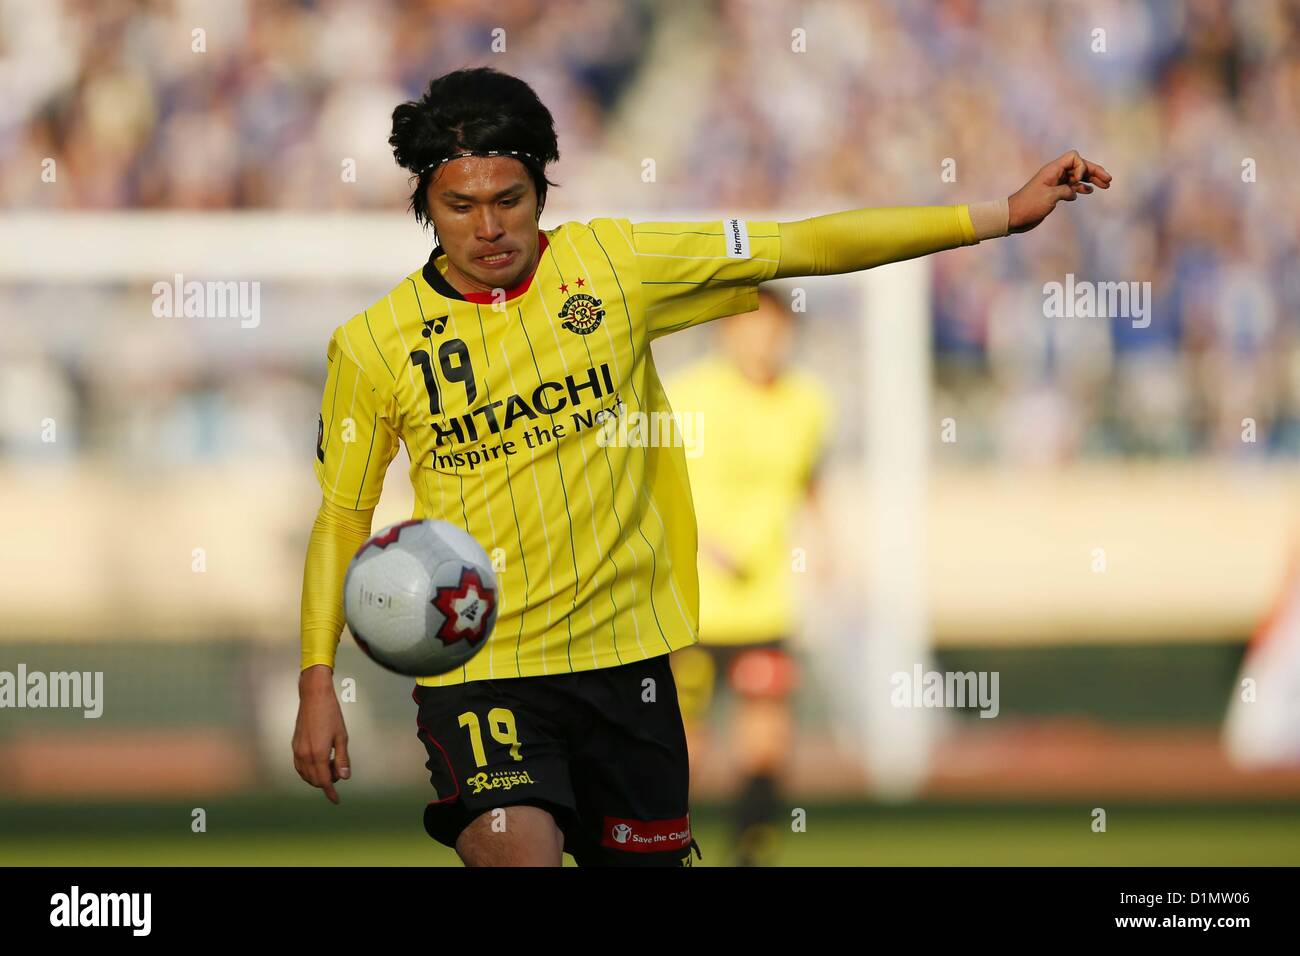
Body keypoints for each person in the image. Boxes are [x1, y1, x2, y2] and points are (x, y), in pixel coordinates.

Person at [290, 65, 1111, 867]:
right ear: (425, 206)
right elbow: (341, 518)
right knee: (517, 851)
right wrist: (317, 681)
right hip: (485, 672)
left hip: (631, 667)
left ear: (542, 188)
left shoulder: (616, 266)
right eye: (459, 205)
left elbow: (804, 244)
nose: (489, 226)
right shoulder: (374, 346)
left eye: (509, 200)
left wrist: (998, 214)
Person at [667, 289, 832, 866]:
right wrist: (698, 540)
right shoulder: (689, 396)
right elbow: (650, 482)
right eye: (750, 327)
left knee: (766, 746)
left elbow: (809, 475)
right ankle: (658, 849)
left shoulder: (807, 402)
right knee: (684, 750)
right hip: (690, 604)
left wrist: (828, 543)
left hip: (765, 603)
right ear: (726, 333)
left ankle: (750, 854)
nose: (762, 339)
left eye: (773, 328)